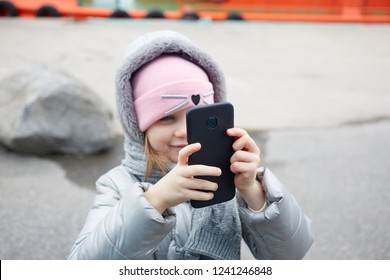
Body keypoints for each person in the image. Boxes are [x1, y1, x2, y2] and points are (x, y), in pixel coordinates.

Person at [68, 30, 313, 260]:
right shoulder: (117, 185)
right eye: (166, 117)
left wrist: (253, 191)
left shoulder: (228, 180)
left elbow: (291, 254)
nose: (183, 132)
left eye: (196, 116)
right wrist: (155, 200)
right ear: (138, 125)